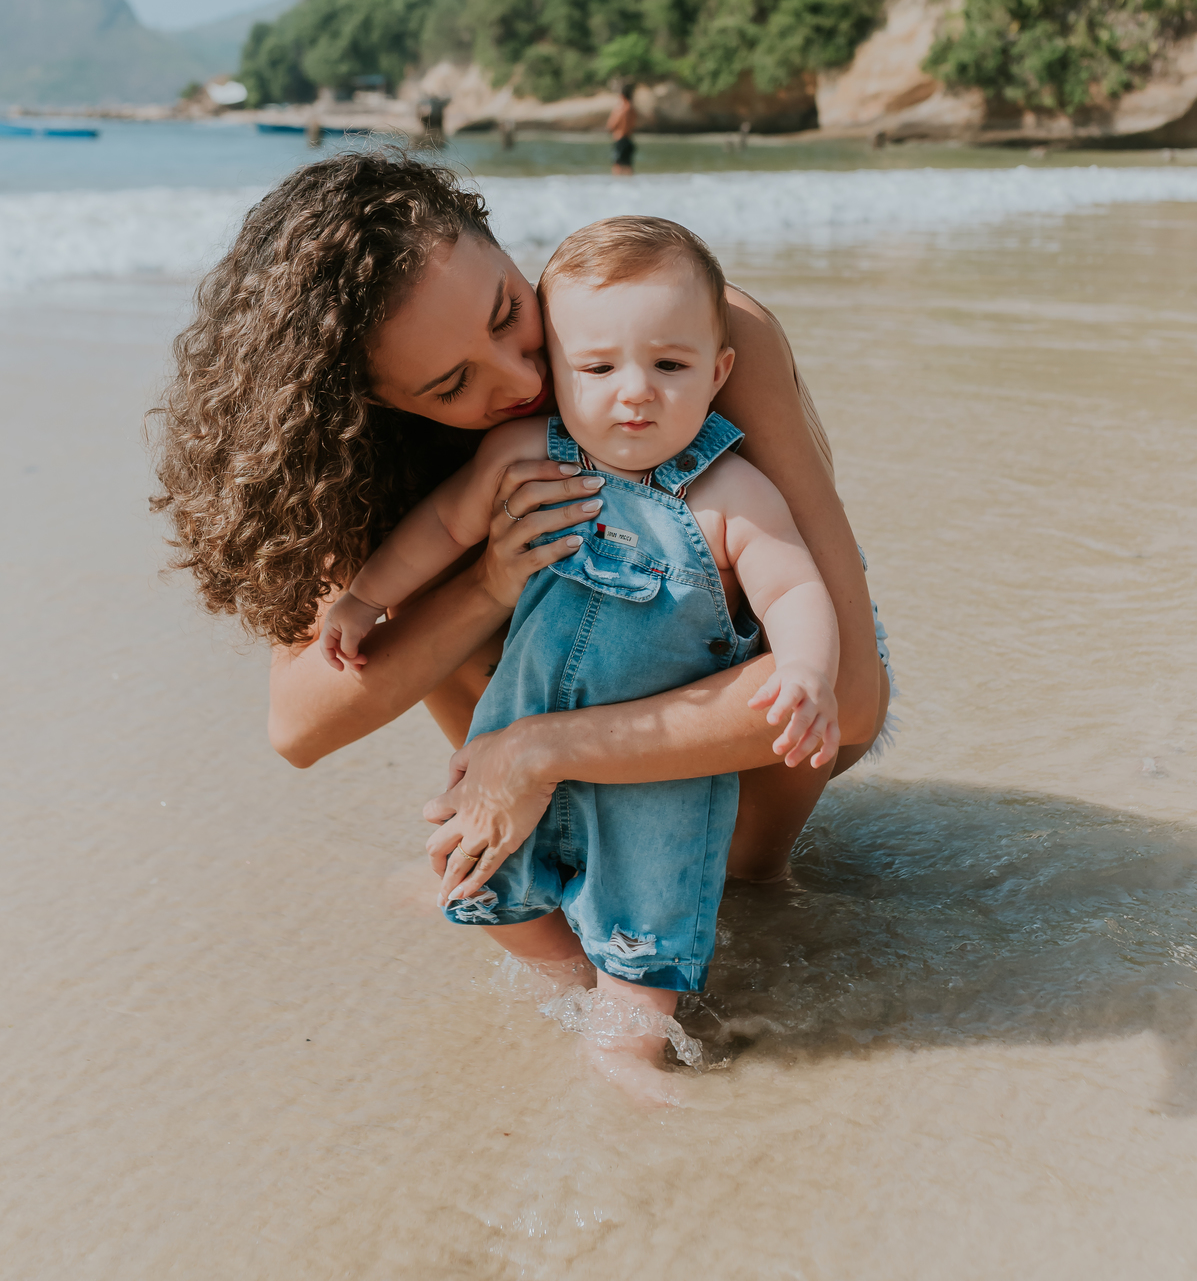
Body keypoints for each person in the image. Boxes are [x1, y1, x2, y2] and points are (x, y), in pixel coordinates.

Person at [152, 150, 892, 1017]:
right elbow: (298, 723)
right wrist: (489, 583)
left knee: (738, 884)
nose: (524, 379)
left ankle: (730, 862)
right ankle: (551, 864)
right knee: (427, 589)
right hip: (568, 697)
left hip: (766, 698)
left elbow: (850, 697)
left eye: (508, 312)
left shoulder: (678, 321)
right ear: (376, 401)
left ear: (492, 233)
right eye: (452, 384)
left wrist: (541, 752)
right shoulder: (357, 463)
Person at [317, 218, 840, 1085]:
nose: (635, 393)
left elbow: (794, 588)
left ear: (718, 373)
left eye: (669, 366)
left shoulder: (731, 493)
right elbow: (442, 526)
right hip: (511, 739)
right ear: (555, 375)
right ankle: (563, 974)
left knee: (645, 928)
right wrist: (366, 597)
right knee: (480, 879)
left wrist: (807, 669)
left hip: (655, 775)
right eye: (598, 369)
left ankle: (625, 1051)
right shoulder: (523, 454)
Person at [606, 83, 637, 175]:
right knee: (628, 167)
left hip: (620, 139)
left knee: (617, 166)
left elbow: (611, 126)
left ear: (622, 95)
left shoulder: (620, 109)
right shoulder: (633, 109)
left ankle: (617, 184)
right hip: (629, 140)